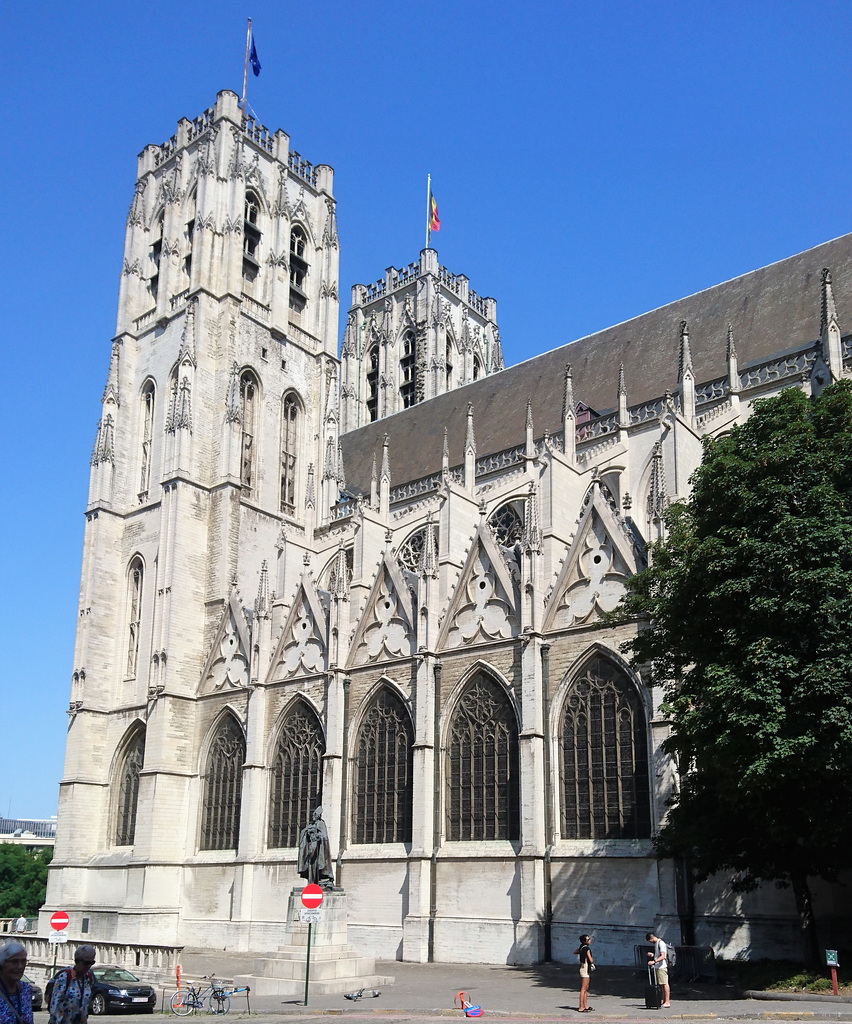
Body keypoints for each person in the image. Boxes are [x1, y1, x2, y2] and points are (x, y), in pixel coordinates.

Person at [48, 945, 96, 1024]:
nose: (89, 966)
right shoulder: (65, 977)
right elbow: (54, 1005)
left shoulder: (88, 978)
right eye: (86, 963)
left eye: (92, 963)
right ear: (77, 961)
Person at [297, 806, 335, 887]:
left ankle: (323, 879)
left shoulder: (321, 824)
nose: (313, 817)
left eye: (314, 815)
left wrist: (317, 835)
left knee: (318, 866)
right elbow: (304, 832)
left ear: (318, 816)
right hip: (311, 850)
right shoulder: (312, 824)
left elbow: (324, 837)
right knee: (312, 868)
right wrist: (308, 833)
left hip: (319, 851)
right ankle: (312, 882)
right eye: (312, 815)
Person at [0, 941, 33, 1024]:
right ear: (2, 963)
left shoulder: (26, 989)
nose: (20, 966)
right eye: (14, 961)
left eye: (23, 961)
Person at [646, 931, 671, 1008]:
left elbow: (663, 956)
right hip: (658, 966)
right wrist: (653, 955)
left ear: (652, 938)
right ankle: (663, 1001)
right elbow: (658, 955)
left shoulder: (661, 943)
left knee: (664, 983)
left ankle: (667, 1001)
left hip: (661, 967)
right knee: (661, 984)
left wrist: (654, 961)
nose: (650, 942)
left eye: (650, 941)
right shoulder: (657, 944)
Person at [572, 933, 595, 1012]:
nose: (589, 940)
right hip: (585, 969)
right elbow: (591, 960)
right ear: (585, 941)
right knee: (583, 988)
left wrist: (581, 953)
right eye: (588, 939)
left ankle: (585, 1005)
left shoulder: (581, 947)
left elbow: (575, 952)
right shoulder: (587, 949)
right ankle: (581, 1007)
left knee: (585, 988)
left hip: (582, 968)